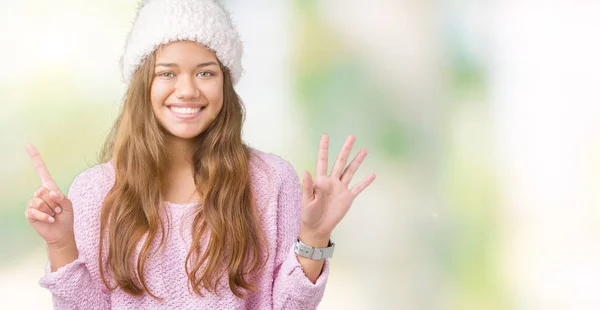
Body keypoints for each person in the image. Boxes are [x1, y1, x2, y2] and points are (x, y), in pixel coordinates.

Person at [24, 0, 376, 308]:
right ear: (143, 85)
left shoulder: (271, 181)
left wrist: (314, 236)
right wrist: (60, 244)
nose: (187, 90)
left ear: (225, 82)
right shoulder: (95, 191)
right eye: (168, 73)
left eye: (205, 72)